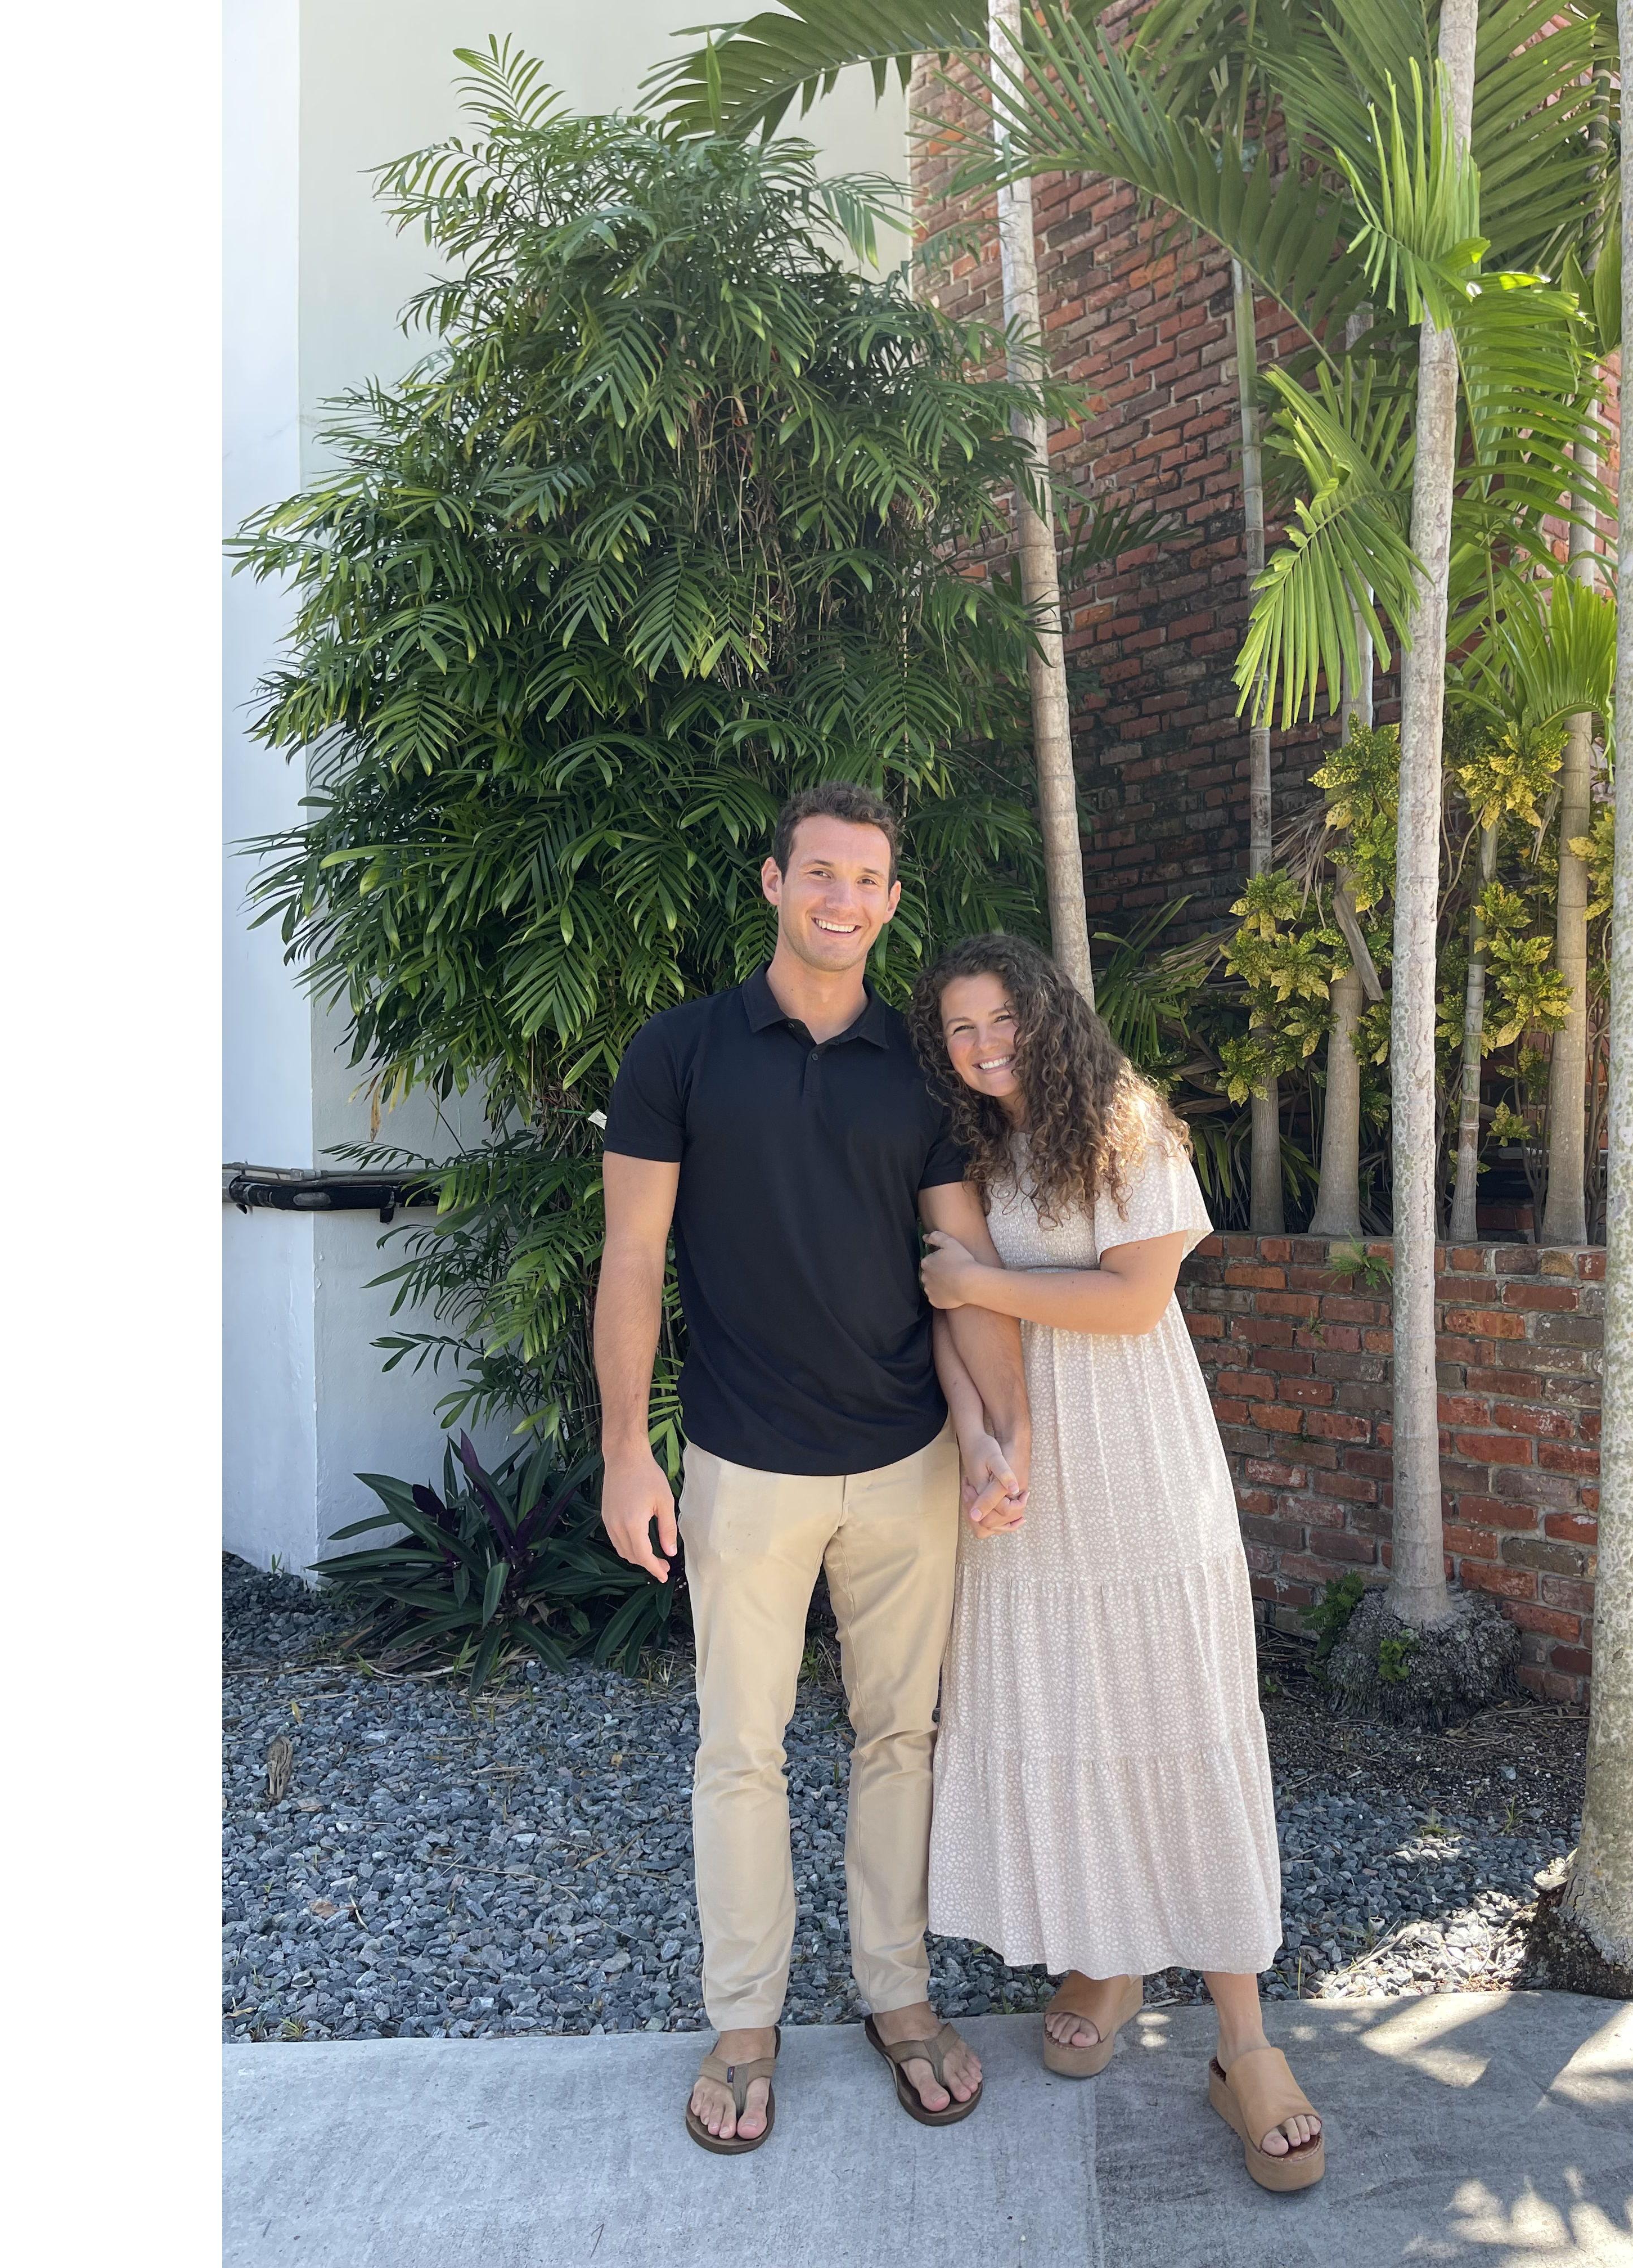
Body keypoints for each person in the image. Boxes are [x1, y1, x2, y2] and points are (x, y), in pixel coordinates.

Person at [593, 784, 1032, 2154]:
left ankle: (898, 1996)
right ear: (775, 882)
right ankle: (745, 2022)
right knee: (741, 1749)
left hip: (905, 1460)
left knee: (902, 1740)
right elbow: (632, 1256)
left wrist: (1002, 1434)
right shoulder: (679, 1052)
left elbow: (965, 1266)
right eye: (821, 874)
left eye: (868, 880)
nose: (844, 899)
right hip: (744, 1463)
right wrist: (625, 1448)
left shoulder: (920, 1070)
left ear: (892, 903)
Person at [911, 932, 1325, 2194]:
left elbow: (1134, 1301)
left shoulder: (1128, 1126)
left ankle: (1244, 2041)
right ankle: (1107, 1958)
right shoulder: (977, 1151)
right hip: (1026, 1477)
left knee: (1179, 1714)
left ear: (1047, 1015)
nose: (984, 1048)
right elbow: (948, 1310)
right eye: (960, 1030)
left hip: (1138, 1461)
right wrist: (981, 1442)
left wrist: (979, 1282)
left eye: (1001, 1021)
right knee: (1068, 1713)